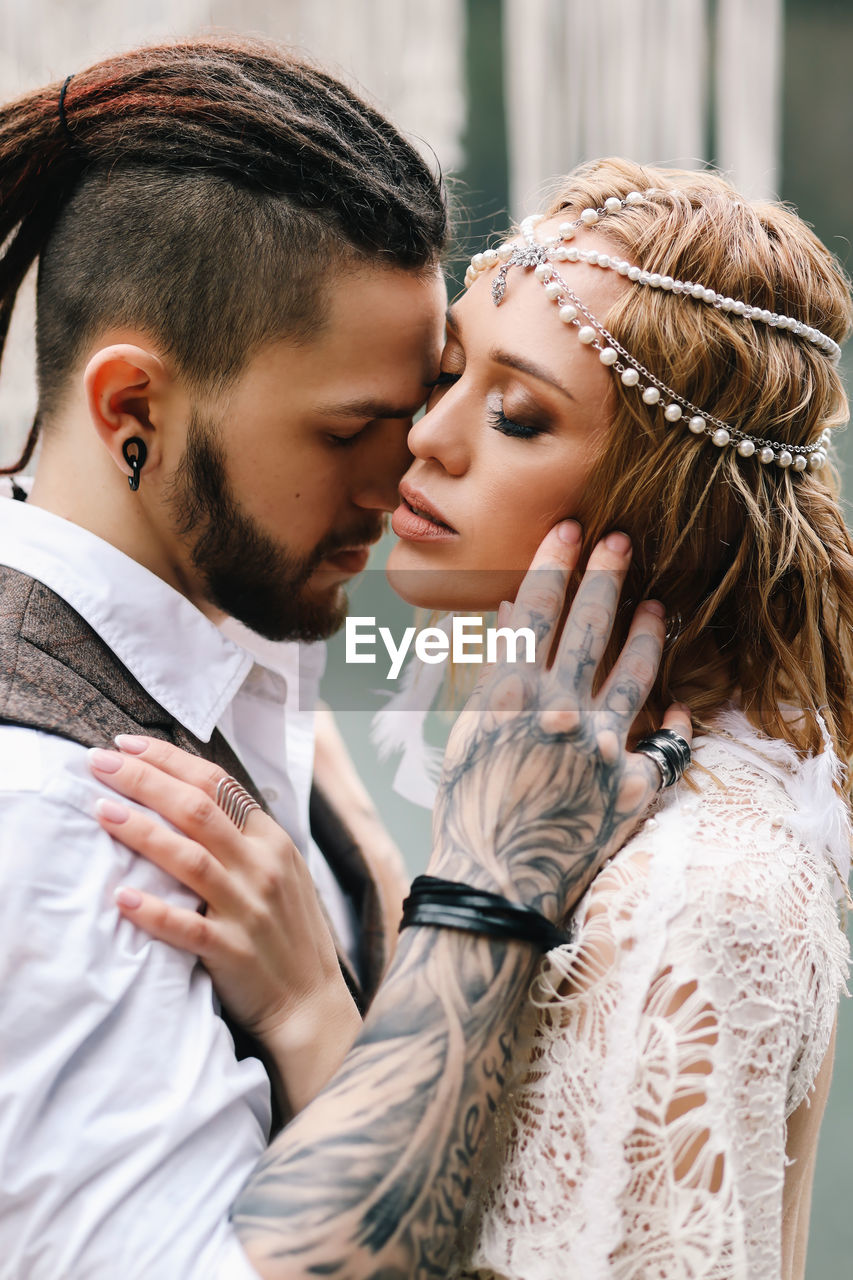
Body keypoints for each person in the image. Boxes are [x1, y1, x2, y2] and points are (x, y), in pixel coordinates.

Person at [0, 41, 687, 1280]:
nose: (411, 463)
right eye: (352, 428)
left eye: (430, 397)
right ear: (130, 413)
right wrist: (486, 895)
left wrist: (330, 1011)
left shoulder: (232, 647)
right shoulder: (54, 819)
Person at [101, 159, 853, 1279]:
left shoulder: (683, 895)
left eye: (515, 413)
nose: (426, 437)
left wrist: (315, 1012)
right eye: (445, 373)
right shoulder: (646, 783)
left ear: (667, 506)